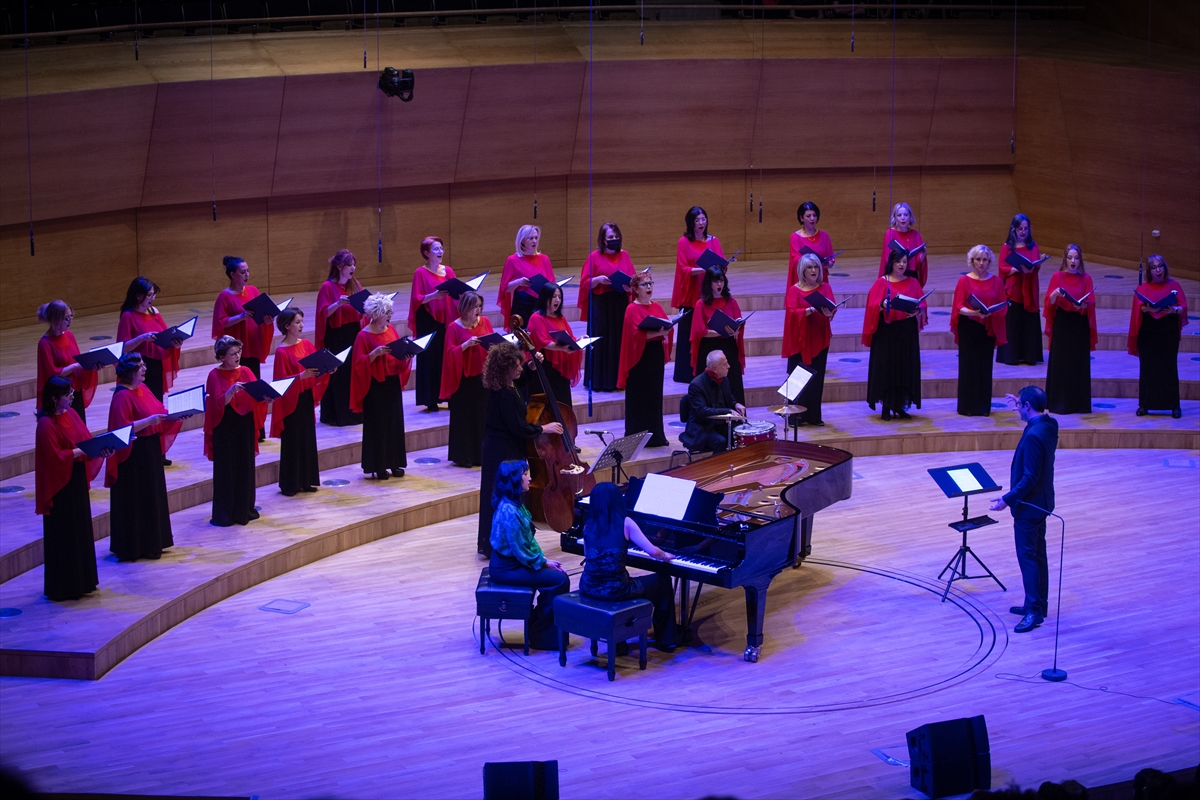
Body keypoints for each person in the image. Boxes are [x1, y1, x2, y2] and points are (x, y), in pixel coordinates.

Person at [478, 343, 563, 556]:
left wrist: (531, 369)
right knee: (500, 495)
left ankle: (507, 542)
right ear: (505, 369)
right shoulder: (503, 393)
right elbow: (519, 426)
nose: (519, 368)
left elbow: (520, 384)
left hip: (504, 445)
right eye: (516, 366)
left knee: (505, 495)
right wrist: (545, 428)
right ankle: (497, 544)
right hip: (500, 449)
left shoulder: (507, 385)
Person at [990, 386, 1058, 634]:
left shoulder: (1032, 436)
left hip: (1029, 507)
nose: (1017, 409)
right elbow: (1039, 413)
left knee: (1028, 558)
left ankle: (1034, 612)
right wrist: (1023, 400)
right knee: (1039, 555)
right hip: (1043, 503)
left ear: (1028, 407)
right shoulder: (1050, 424)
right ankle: (1038, 604)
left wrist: (1006, 499)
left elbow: (1029, 477)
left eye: (1020, 406)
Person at [580, 482, 677, 652]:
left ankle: (619, 642)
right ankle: (666, 640)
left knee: (624, 578)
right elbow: (653, 551)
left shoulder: (588, 525)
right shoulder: (626, 523)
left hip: (588, 587)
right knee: (663, 581)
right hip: (616, 590)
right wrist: (666, 556)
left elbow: (589, 557)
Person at [105, 353, 183, 561]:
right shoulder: (122, 395)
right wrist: (148, 422)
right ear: (130, 372)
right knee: (138, 498)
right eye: (141, 367)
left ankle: (153, 542)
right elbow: (121, 429)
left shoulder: (142, 388)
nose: (145, 369)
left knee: (152, 496)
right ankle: (136, 546)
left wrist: (178, 414)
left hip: (150, 451)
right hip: (134, 456)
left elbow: (159, 412)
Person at [487, 460, 571, 651]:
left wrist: (544, 559)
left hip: (514, 563)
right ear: (515, 479)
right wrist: (542, 563)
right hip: (506, 568)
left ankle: (539, 627)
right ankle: (540, 634)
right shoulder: (509, 511)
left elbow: (528, 541)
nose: (530, 477)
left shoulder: (515, 504)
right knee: (559, 581)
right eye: (525, 474)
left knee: (558, 578)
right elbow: (520, 549)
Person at [35, 376, 105, 601]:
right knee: (65, 533)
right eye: (68, 395)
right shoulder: (46, 424)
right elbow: (54, 458)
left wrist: (100, 449)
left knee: (80, 530)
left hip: (74, 480)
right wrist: (80, 451)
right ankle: (65, 586)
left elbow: (86, 441)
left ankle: (83, 581)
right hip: (60, 486)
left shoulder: (72, 414)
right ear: (55, 398)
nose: (73, 397)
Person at [204, 336, 267, 527]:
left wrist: (265, 398)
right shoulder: (214, 375)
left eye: (239, 352)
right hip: (226, 426)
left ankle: (244, 510)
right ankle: (225, 513)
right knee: (227, 469)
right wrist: (230, 392)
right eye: (233, 353)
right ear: (222, 356)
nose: (238, 356)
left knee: (244, 466)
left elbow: (256, 396)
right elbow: (214, 406)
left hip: (244, 424)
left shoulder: (246, 371)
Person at [350, 293, 412, 481]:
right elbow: (358, 365)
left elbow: (396, 353)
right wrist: (374, 354)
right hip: (375, 386)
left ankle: (394, 463)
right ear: (377, 314)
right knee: (378, 425)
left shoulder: (390, 329)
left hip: (391, 382)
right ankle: (378, 465)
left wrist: (407, 355)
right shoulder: (363, 335)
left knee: (393, 423)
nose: (389, 316)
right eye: (387, 313)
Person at [211, 256, 275, 440]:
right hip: (234, 350)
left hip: (252, 344)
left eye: (248, 271)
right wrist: (241, 317)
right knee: (238, 388)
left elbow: (261, 315)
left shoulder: (253, 291)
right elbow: (220, 324)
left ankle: (257, 430)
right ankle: (242, 428)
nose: (247, 274)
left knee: (254, 385)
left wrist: (267, 320)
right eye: (242, 272)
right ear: (232, 274)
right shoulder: (224, 296)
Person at [271, 309, 328, 496]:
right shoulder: (281, 352)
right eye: (297, 322)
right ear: (287, 326)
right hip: (291, 402)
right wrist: (300, 377)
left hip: (305, 398)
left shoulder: (306, 344)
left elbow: (316, 369)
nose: (301, 325)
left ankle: (307, 480)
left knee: (307, 439)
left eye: (302, 321)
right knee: (293, 441)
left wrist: (327, 368)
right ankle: (291, 483)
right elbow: (281, 384)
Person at [863, 251, 926, 420]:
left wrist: (917, 310)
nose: (901, 265)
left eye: (904, 261)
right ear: (891, 262)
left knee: (905, 368)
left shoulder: (913, 282)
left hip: (907, 330)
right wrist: (882, 305)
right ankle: (886, 407)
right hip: (887, 332)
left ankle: (899, 406)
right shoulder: (882, 283)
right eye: (898, 261)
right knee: (887, 368)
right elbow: (872, 306)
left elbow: (922, 302)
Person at [951, 245, 1008, 416]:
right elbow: (958, 307)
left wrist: (991, 311)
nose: (981, 263)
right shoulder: (964, 281)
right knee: (968, 367)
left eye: (984, 260)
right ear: (972, 261)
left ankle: (983, 406)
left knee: (984, 367)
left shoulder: (997, 281)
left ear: (989, 261)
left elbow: (1003, 305)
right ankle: (967, 406)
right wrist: (975, 313)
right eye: (978, 259)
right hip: (969, 327)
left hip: (987, 329)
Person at [1128, 254, 1188, 418]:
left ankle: (1174, 406)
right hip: (1149, 332)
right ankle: (1145, 405)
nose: (1158, 270)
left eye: (1160, 266)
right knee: (1147, 369)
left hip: (1168, 332)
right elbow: (1138, 310)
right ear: (1149, 271)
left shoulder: (1174, 285)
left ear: (1165, 268)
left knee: (1169, 368)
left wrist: (1173, 309)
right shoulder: (1143, 288)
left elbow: (1183, 307)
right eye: (1154, 267)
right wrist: (1147, 309)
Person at [617, 271, 672, 447]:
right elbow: (634, 336)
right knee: (639, 398)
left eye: (651, 283)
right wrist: (658, 332)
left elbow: (666, 325)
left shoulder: (656, 306)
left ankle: (656, 436)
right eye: (645, 284)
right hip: (639, 358)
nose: (649, 287)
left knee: (654, 396)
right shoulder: (631, 309)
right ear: (635, 289)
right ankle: (636, 438)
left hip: (654, 355)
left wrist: (665, 329)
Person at [672, 206, 725, 383]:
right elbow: (682, 268)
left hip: (708, 292)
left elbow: (721, 265)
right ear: (691, 223)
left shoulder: (714, 241)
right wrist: (701, 268)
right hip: (692, 293)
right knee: (689, 333)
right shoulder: (683, 242)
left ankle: (707, 371)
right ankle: (686, 373)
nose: (701, 223)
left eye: (703, 219)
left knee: (706, 333)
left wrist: (722, 266)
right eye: (697, 220)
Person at [579, 222, 634, 392]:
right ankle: (599, 381)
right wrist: (597, 280)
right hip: (601, 304)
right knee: (601, 342)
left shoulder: (624, 255)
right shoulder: (594, 257)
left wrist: (629, 287)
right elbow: (584, 283)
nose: (614, 240)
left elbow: (633, 279)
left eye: (616, 237)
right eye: (610, 237)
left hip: (619, 302)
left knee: (618, 341)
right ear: (603, 240)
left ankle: (617, 381)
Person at [783, 253, 836, 426]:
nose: (813, 270)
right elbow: (791, 314)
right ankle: (793, 416)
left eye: (816, 267)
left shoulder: (825, 288)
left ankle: (813, 415)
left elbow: (831, 308)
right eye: (809, 267)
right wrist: (810, 310)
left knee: (816, 378)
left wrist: (830, 312)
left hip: (818, 338)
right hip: (800, 340)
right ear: (802, 270)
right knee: (797, 377)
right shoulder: (794, 290)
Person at [441, 291, 494, 468]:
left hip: (482, 377)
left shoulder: (485, 322)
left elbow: (493, 343)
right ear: (464, 308)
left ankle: (481, 454)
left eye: (480, 306)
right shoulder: (453, 327)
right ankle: (463, 456)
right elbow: (449, 355)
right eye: (474, 307)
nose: (478, 310)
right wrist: (465, 345)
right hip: (463, 380)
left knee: (481, 416)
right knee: (464, 418)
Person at [1043, 245, 1097, 415]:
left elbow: (1091, 301)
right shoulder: (1057, 276)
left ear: (1080, 260)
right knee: (1061, 362)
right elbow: (1049, 302)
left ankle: (1078, 404)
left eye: (1076, 258)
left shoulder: (1086, 278)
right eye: (1070, 258)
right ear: (1065, 259)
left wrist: (1082, 304)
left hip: (1078, 324)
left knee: (1078, 363)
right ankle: (1059, 403)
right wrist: (1055, 295)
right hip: (1062, 323)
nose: (1073, 261)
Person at [407, 236, 457, 412]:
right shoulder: (420, 273)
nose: (440, 251)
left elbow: (456, 293)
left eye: (441, 248)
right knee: (429, 358)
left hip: (446, 320)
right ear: (427, 253)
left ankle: (449, 396)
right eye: (436, 249)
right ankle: (430, 399)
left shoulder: (449, 271)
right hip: (427, 320)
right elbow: (416, 299)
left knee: (446, 357)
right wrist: (433, 296)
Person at [315, 249, 364, 427]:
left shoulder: (355, 284)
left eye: (354, 264)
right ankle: (335, 415)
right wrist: (337, 304)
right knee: (339, 374)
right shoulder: (327, 287)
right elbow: (322, 313)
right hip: (336, 336)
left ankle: (354, 413)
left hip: (353, 333)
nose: (353, 268)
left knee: (352, 373)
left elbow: (363, 306)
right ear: (338, 266)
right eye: (349, 265)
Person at [117, 276, 182, 401]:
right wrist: (141, 338)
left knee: (156, 400)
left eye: (153, 294)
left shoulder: (154, 311)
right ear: (138, 296)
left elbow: (165, 336)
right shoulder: (128, 316)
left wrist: (175, 343)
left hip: (156, 365)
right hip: (138, 367)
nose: (154, 298)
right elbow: (122, 347)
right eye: (150, 295)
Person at [691, 266, 747, 406]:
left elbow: (737, 322)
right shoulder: (701, 304)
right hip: (709, 349)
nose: (719, 284)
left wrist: (737, 328)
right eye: (715, 281)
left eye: (721, 281)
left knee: (731, 380)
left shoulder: (731, 302)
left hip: (728, 347)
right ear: (709, 283)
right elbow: (698, 331)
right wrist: (719, 332)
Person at [36, 300, 98, 424]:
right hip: (58, 398)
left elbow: (79, 361)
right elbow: (51, 374)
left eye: (71, 317)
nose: (70, 321)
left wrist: (91, 365)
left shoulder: (69, 335)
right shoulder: (45, 343)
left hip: (74, 391)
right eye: (66, 318)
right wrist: (75, 366)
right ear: (55, 319)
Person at [996, 214, 1044, 366]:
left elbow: (1036, 264)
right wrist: (1015, 269)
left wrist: (1031, 268)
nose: (1023, 232)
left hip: (1029, 288)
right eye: (1020, 229)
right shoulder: (1006, 247)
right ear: (1014, 229)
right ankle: (1011, 356)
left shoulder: (1033, 246)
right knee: (1013, 322)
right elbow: (1002, 269)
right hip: (1014, 289)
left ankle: (1030, 356)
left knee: (1028, 322)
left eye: (1026, 229)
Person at [679, 351, 747, 455]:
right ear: (715, 368)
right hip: (701, 427)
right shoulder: (696, 385)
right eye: (725, 364)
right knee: (720, 441)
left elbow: (729, 398)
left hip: (719, 424)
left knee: (742, 433)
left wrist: (735, 404)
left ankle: (734, 466)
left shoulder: (724, 380)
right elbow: (702, 411)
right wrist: (728, 410)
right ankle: (717, 469)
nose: (728, 366)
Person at [526, 283, 582, 405]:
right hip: (545, 366)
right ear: (545, 298)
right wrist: (561, 348)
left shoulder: (560, 318)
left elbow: (569, 337)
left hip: (560, 367)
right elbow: (543, 341)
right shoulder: (536, 317)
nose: (557, 300)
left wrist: (579, 340)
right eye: (554, 296)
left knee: (563, 402)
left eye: (559, 297)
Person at [500, 224, 555, 330]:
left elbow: (552, 283)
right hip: (522, 305)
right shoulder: (512, 260)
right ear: (522, 241)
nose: (534, 241)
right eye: (530, 238)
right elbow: (505, 288)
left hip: (540, 305)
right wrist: (518, 282)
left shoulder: (544, 259)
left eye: (536, 238)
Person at [877, 202, 928, 287]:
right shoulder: (890, 233)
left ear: (910, 216)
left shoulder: (916, 234)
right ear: (895, 217)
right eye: (899, 215)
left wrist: (922, 255)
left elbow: (918, 263)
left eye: (905, 215)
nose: (903, 218)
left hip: (911, 275)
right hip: (895, 275)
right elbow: (887, 259)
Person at [787, 201, 835, 287]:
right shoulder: (795, 237)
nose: (812, 218)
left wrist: (829, 263)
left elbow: (831, 256)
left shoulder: (825, 236)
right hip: (803, 280)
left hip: (820, 277)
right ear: (801, 218)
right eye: (808, 216)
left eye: (814, 215)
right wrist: (813, 262)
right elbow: (796, 260)